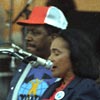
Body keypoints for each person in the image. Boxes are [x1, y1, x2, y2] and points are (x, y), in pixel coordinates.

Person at [7, 6, 68, 100]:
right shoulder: (25, 64)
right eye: (28, 32)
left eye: (35, 33)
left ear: (54, 38)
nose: (27, 37)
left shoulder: (66, 71)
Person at [40, 29, 100, 100]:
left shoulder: (86, 87)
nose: (50, 58)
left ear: (74, 55)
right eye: (50, 53)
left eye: (56, 54)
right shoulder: (52, 87)